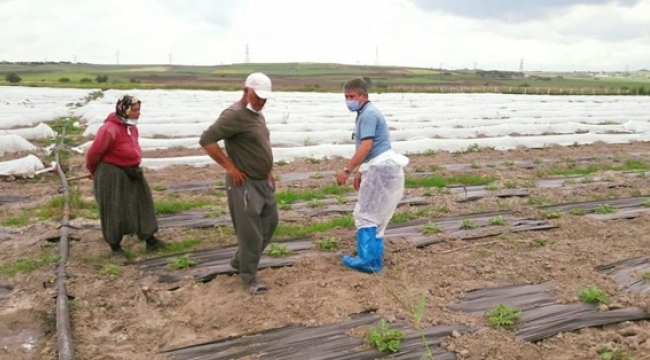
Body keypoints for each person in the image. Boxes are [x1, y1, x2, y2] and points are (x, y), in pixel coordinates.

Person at [199, 72, 278, 294]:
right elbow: (207, 140)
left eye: (265, 98)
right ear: (246, 91)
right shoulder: (233, 115)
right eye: (257, 96)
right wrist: (230, 167)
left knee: (270, 223)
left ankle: (239, 260)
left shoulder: (257, 115)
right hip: (245, 183)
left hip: (262, 180)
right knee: (250, 232)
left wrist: (268, 169)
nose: (261, 101)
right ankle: (249, 278)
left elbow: (259, 144)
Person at [336, 78, 409, 273]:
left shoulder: (368, 114)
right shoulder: (365, 113)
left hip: (381, 168)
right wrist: (361, 170)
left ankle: (368, 261)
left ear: (364, 96)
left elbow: (367, 146)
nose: (348, 100)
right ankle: (372, 259)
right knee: (374, 214)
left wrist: (347, 170)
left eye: (352, 96)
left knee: (366, 214)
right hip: (380, 166)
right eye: (346, 97)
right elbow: (367, 148)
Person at [85, 95, 165, 258]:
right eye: (135, 110)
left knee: (143, 203)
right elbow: (94, 153)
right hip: (112, 172)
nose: (138, 113)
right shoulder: (109, 129)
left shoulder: (132, 127)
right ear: (125, 110)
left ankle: (150, 239)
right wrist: (93, 171)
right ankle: (115, 247)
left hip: (131, 170)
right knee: (114, 208)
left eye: (138, 110)